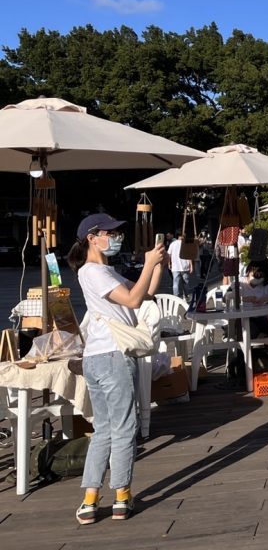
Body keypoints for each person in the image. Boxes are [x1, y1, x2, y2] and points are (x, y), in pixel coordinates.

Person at [68, 213, 165, 524]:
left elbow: (144, 292)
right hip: (112, 356)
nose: (116, 237)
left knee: (104, 430)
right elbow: (134, 302)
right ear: (92, 238)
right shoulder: (93, 272)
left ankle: (90, 500)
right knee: (124, 428)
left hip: (97, 358)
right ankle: (122, 496)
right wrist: (149, 262)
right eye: (109, 232)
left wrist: (158, 262)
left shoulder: (101, 271)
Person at [167, 230, 195, 299]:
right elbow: (189, 255)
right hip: (184, 266)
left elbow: (169, 255)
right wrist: (191, 265)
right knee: (185, 282)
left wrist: (169, 264)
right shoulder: (186, 244)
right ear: (182, 236)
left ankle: (176, 297)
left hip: (175, 267)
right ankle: (186, 295)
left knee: (175, 283)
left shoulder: (172, 244)